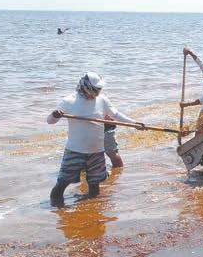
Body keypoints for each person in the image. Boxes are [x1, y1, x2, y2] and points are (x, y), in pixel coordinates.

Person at [47, 73, 144, 207]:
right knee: (62, 183)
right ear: (86, 87)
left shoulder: (102, 100)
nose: (98, 92)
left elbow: (115, 114)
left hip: (96, 151)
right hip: (75, 150)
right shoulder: (69, 101)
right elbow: (50, 121)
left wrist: (134, 123)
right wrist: (54, 115)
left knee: (94, 184)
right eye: (96, 89)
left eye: (99, 89)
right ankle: (57, 210)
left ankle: (92, 212)